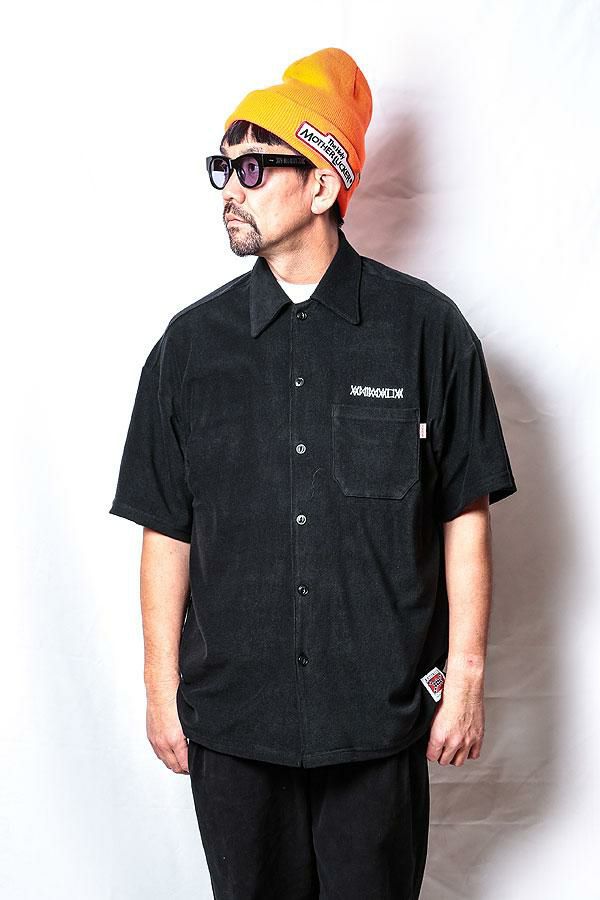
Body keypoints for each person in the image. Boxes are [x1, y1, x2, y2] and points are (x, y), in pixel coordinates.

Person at [109, 47, 517, 900]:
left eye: (253, 167)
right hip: (233, 726)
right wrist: (159, 690)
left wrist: (466, 680)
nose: (230, 188)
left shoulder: (428, 333)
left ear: (324, 184)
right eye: (224, 166)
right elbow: (166, 529)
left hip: (378, 722)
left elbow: (463, 515)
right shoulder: (189, 348)